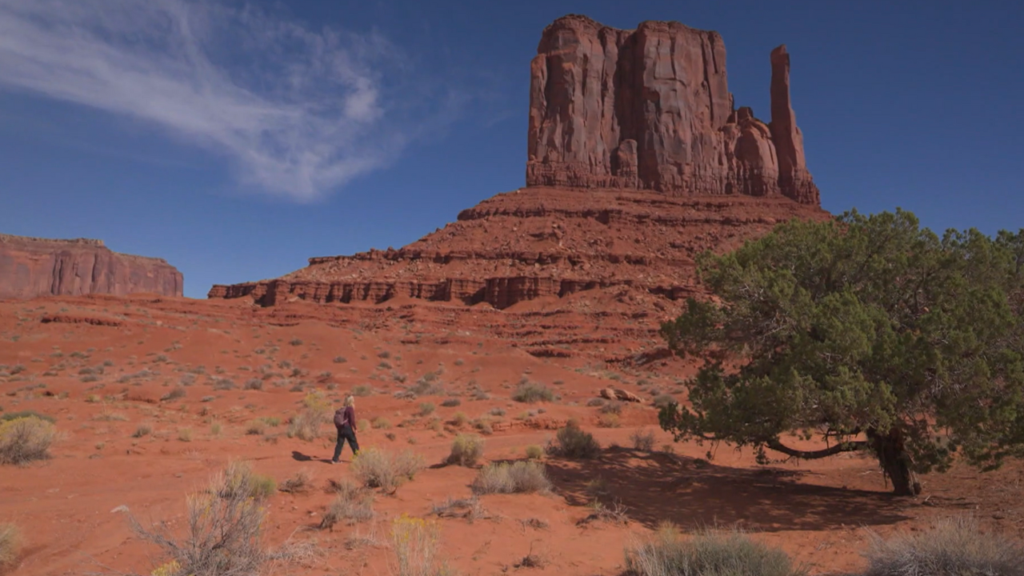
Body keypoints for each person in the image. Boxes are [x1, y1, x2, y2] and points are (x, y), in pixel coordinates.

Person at [331, 395, 360, 463]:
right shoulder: (350, 408)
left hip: (340, 429)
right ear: (351, 401)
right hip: (347, 428)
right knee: (353, 443)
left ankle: (335, 459)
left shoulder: (342, 408)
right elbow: (352, 420)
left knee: (339, 444)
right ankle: (358, 458)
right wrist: (355, 428)